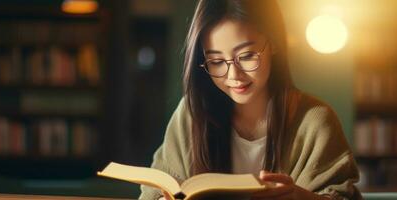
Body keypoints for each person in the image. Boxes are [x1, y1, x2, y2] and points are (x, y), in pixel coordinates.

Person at [139, 0, 362, 199]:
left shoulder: (314, 121)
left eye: (246, 56)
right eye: (216, 62)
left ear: (273, 42)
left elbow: (341, 195)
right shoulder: (192, 113)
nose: (233, 76)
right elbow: (157, 187)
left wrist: (300, 197)